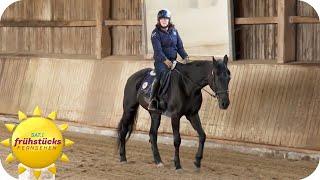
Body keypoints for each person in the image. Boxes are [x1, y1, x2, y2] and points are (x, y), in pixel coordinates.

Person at [148, 9, 189, 111]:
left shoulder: (174, 31)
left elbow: (179, 46)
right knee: (162, 75)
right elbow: (158, 50)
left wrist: (185, 56)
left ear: (169, 20)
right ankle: (153, 100)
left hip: (173, 60)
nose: (164, 21)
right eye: (162, 19)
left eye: (166, 19)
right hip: (161, 62)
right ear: (159, 20)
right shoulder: (155, 33)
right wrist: (165, 61)